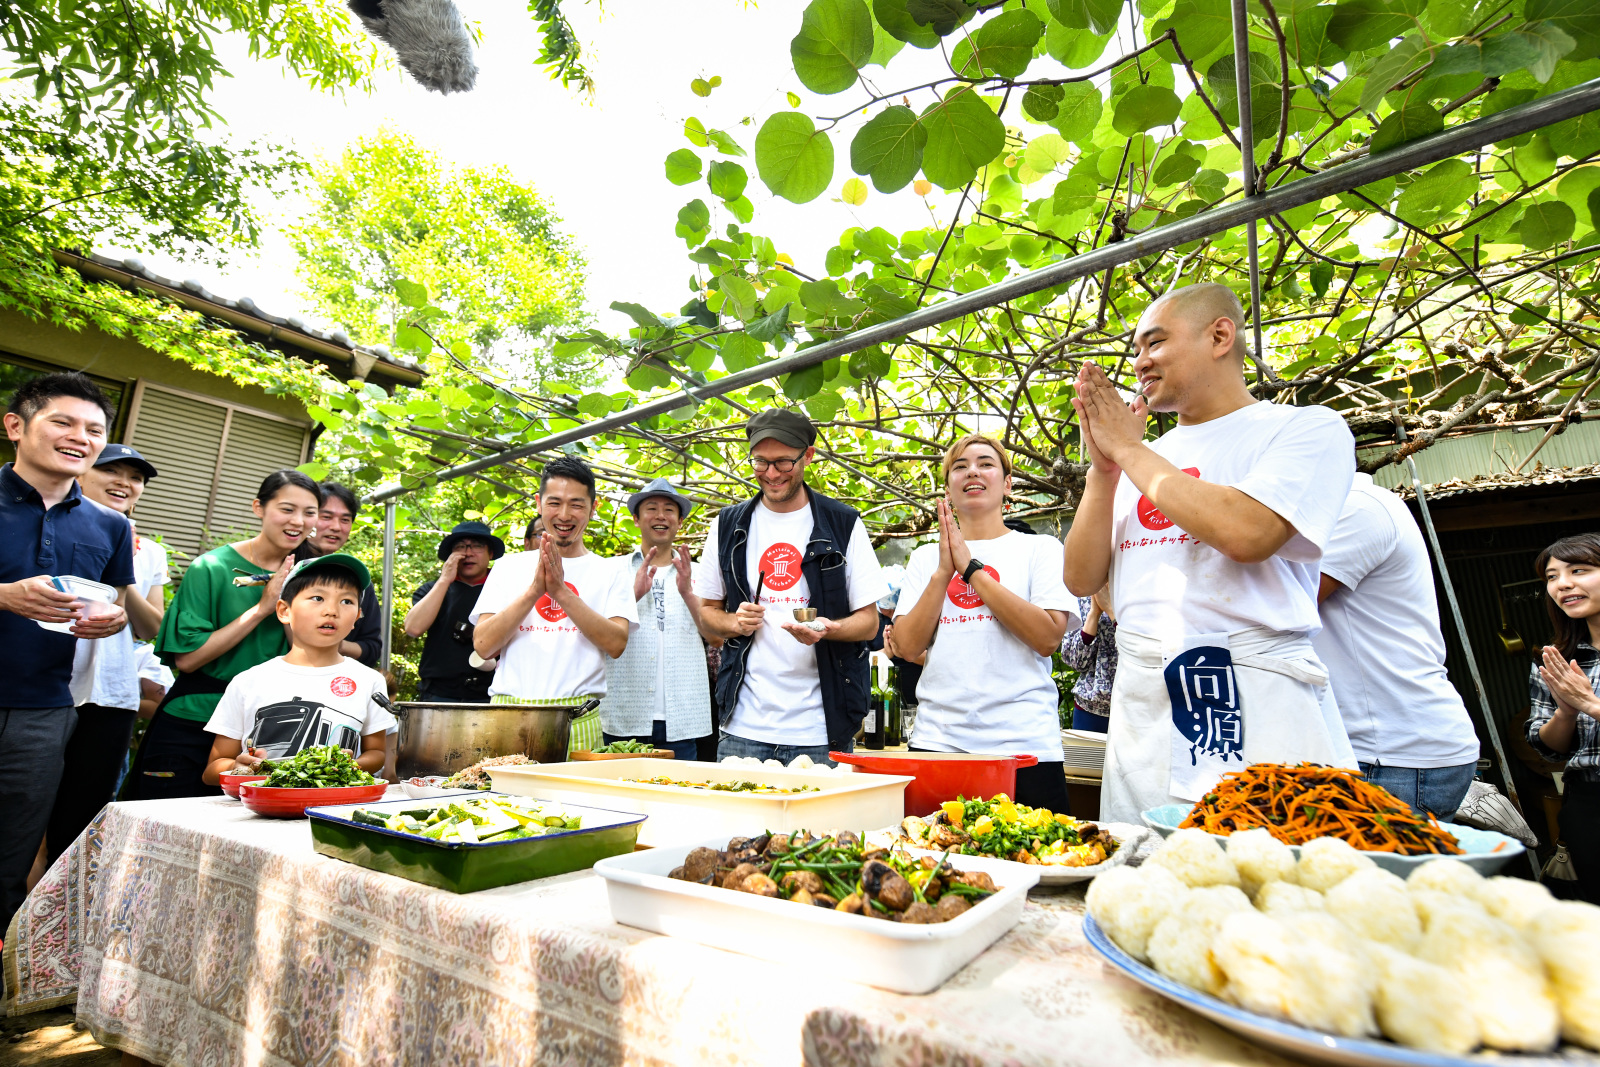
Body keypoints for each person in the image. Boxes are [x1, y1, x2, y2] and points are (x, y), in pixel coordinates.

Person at [1063, 283, 1357, 824]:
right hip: (1146, 697)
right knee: (1145, 872)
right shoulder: (1143, 458)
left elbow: (1247, 533)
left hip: (1257, 688)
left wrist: (1128, 448)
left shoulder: (1303, 428)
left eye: (1154, 343)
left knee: (1274, 873)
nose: (1140, 362)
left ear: (1221, 335)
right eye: (1135, 351)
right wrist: (1104, 472)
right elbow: (1082, 579)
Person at [0, 372, 132, 933]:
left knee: (10, 861)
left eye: (94, 429)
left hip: (46, 712)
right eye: (63, 421)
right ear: (15, 426)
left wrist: (114, 619)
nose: (81, 436)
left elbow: (117, 604)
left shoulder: (111, 525)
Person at [892, 434, 1078, 811]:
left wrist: (971, 569)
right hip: (939, 741)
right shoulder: (927, 559)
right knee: (931, 860)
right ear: (947, 488)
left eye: (985, 463)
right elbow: (908, 647)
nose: (972, 471)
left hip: (1025, 746)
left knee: (1041, 859)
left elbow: (1047, 638)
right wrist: (944, 572)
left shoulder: (1040, 549)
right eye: (959, 467)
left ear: (1007, 484)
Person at [695, 409, 889, 764]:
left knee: (824, 823)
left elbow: (870, 622)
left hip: (822, 728)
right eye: (760, 463)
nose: (771, 474)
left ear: (808, 456)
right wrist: (734, 622)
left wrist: (830, 629)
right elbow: (706, 616)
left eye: (784, 463)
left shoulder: (843, 523)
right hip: (743, 727)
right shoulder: (727, 525)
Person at [128, 469, 322, 799]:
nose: (298, 521)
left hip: (267, 726)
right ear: (258, 508)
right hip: (196, 717)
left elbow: (311, 656)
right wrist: (262, 608)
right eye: (287, 509)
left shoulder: (312, 572)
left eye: (309, 513)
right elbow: (188, 660)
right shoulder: (212, 567)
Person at [1314, 473, 1481, 820]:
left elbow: (1278, 607)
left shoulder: (1356, 508)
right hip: (1378, 751)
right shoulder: (1322, 515)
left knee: (1378, 874)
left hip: (1392, 758)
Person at [47, 444, 169, 865]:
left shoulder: (150, 551)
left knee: (82, 813)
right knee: (28, 806)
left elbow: (153, 626)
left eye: (135, 478)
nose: (125, 482)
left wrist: (123, 566)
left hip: (108, 688)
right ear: (81, 473)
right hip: (47, 682)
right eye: (111, 471)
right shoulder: (49, 527)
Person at [472, 456, 636, 753]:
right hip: (509, 715)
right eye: (554, 502)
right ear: (538, 503)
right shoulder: (508, 567)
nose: (564, 514)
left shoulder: (611, 571)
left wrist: (561, 592)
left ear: (593, 507)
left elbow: (616, 643)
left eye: (576, 504)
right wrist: (535, 590)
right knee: (504, 801)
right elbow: (483, 644)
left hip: (578, 718)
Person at [200, 554, 394, 783]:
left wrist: (346, 767)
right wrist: (237, 767)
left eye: (346, 601)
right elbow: (212, 770)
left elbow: (377, 753)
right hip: (260, 811)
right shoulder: (248, 681)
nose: (332, 610)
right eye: (317, 597)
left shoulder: (369, 681)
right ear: (283, 610)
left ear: (357, 618)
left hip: (335, 808)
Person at [598, 478, 714, 760]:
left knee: (678, 800)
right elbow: (594, 634)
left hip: (683, 717)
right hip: (623, 711)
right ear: (636, 519)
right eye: (651, 508)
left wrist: (687, 591)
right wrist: (633, 595)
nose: (660, 516)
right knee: (617, 802)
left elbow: (717, 638)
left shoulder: (700, 574)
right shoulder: (610, 570)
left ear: (680, 521)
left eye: (669, 510)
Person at [1528, 533, 1600, 904]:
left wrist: (1591, 706)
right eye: (1552, 576)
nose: (1563, 583)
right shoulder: (1556, 660)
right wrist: (1567, 712)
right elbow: (1550, 749)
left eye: (1579, 570)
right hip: (1590, 805)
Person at [403, 521, 503, 703]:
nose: (468, 553)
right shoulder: (432, 589)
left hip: (491, 693)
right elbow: (413, 628)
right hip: (439, 694)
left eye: (478, 546)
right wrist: (444, 580)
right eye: (460, 547)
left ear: (491, 553)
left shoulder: (504, 589)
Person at [311, 481, 382, 667]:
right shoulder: (281, 569)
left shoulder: (357, 579)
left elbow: (372, 648)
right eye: (326, 516)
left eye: (345, 520)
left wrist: (334, 642)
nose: (336, 527)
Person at [1062, 586, 1117, 733]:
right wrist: (1094, 613)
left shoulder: (1139, 590)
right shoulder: (1083, 592)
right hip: (1090, 708)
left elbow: (1141, 649)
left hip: (1137, 707)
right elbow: (1075, 661)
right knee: (1088, 757)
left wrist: (1111, 611)